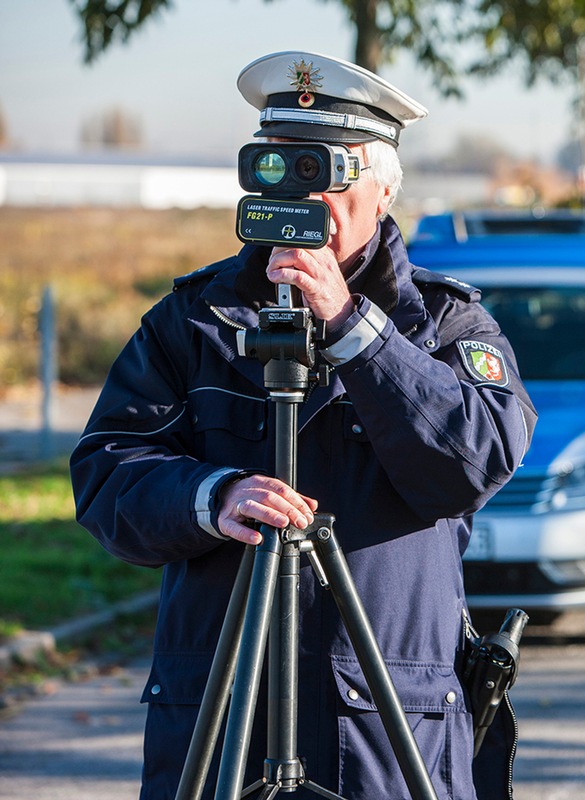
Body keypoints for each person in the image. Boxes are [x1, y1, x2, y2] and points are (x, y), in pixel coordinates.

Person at [71, 50, 536, 800]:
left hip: (383, 727)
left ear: (381, 192)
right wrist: (210, 498)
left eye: (323, 170)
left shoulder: (446, 325)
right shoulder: (193, 321)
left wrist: (355, 330)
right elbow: (104, 473)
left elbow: (473, 464)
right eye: (278, 166)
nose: (299, 193)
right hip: (223, 724)